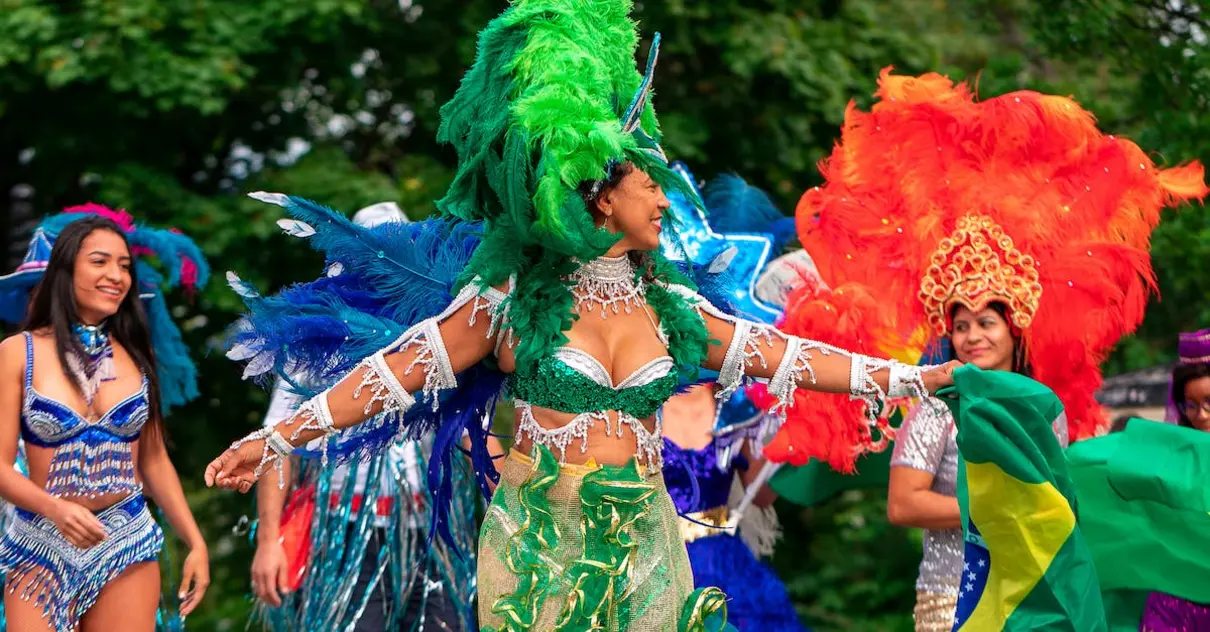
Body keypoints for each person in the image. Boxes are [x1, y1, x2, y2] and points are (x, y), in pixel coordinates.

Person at [203, 2, 957, 629]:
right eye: (648, 186)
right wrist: (276, 438)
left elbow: (789, 357)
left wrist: (914, 381)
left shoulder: (671, 307)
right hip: (539, 548)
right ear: (599, 195)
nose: (664, 200)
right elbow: (396, 372)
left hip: (647, 542)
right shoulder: (508, 301)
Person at [765, 68, 1206, 631]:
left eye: (985, 323)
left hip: (1029, 598)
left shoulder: (1044, 407)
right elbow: (903, 505)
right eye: (962, 325)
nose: (972, 336)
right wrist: (991, 510)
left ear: (1015, 326)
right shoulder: (938, 406)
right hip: (952, 599)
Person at [249, 202, 479, 631]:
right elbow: (277, 441)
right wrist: (268, 542)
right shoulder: (313, 343)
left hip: (430, 533)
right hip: (345, 534)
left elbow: (469, 430)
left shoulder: (436, 337)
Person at [0, 207, 211, 632]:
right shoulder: (15, 353)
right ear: (64, 271)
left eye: (124, 266)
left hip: (124, 539)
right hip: (39, 541)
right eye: (99, 261)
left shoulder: (136, 355)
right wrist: (54, 509)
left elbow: (153, 462)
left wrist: (195, 540)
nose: (116, 275)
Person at [659, 170, 811, 631]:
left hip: (727, 568)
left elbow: (762, 495)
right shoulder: (637, 404)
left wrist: (794, 435)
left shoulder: (738, 410)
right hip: (653, 566)